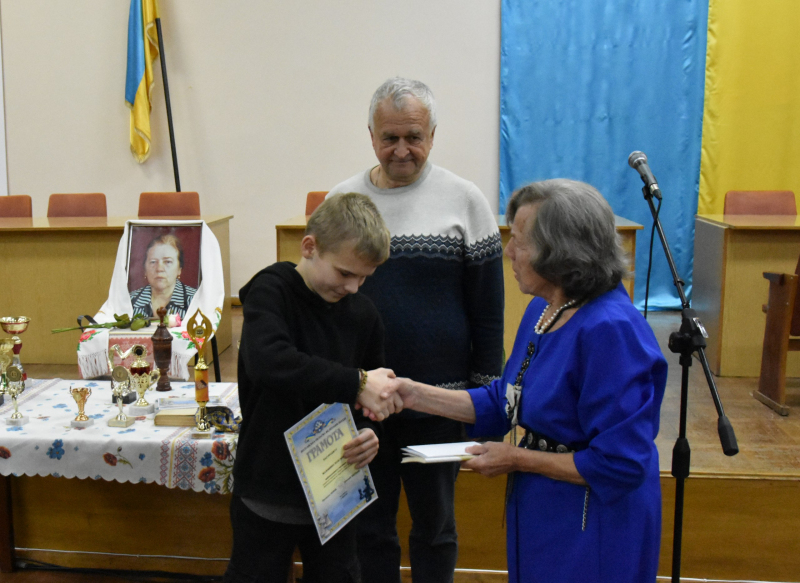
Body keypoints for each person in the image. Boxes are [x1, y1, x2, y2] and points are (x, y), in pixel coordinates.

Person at [389, 179, 668, 583]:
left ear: (560, 250)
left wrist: (517, 459)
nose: (509, 252)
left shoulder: (611, 330)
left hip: (593, 517)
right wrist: (412, 393)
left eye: (519, 242)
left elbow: (620, 462)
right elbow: (506, 399)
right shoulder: (545, 308)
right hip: (544, 506)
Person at [327, 77, 504, 583]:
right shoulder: (342, 201)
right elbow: (323, 304)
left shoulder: (465, 200)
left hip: (439, 404)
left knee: (436, 527)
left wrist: (483, 402)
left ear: (432, 135)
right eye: (390, 138)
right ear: (371, 135)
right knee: (370, 527)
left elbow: (488, 314)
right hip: (363, 403)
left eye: (414, 137)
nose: (402, 150)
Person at [223, 193, 402, 583]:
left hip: (336, 491)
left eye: (364, 278)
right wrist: (355, 383)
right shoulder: (271, 291)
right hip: (269, 483)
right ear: (310, 247)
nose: (353, 287)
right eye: (344, 273)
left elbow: (372, 403)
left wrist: (370, 432)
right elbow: (270, 362)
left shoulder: (364, 315)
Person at [129, 233, 197, 319]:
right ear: (145, 269)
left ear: (179, 269)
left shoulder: (195, 300)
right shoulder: (129, 301)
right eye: (153, 262)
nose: (159, 269)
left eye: (168, 262)